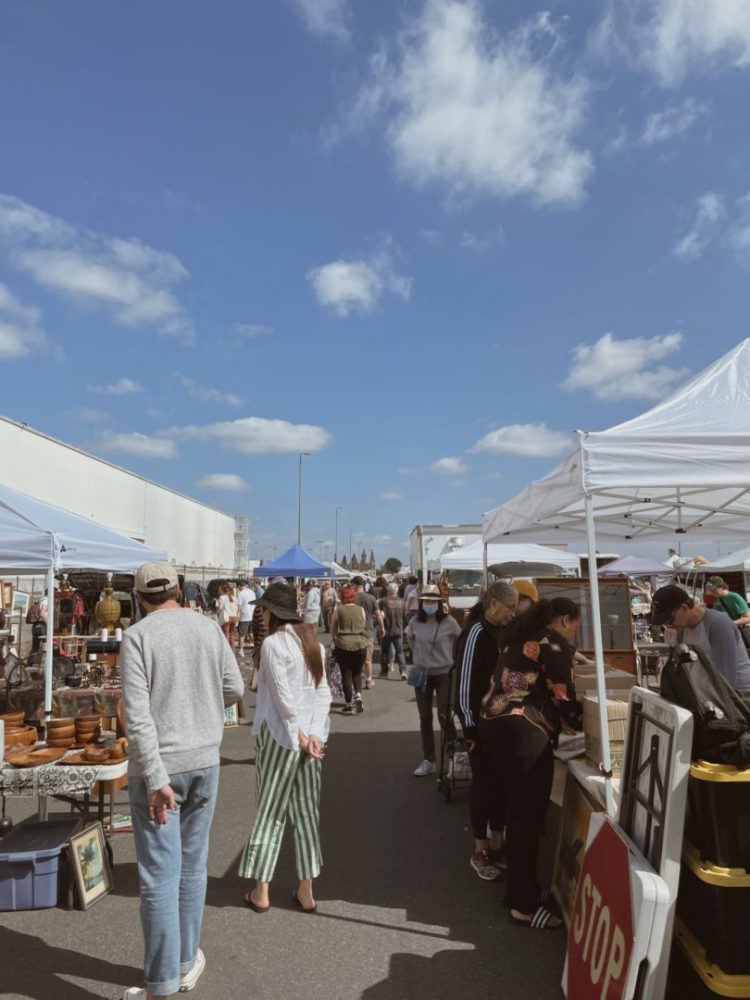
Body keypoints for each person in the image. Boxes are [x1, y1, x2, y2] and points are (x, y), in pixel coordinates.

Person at [121, 561, 244, 1000]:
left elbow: (136, 716)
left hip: (159, 769)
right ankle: (184, 961)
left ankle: (162, 983)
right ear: (178, 588)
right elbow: (235, 689)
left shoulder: (137, 637)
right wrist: (204, 710)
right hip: (204, 761)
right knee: (192, 866)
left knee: (159, 875)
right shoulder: (207, 627)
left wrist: (155, 777)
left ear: (139, 598)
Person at [480, 597, 582, 930]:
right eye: (576, 626)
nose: (574, 634)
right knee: (528, 815)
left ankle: (520, 883)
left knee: (518, 808)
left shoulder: (526, 635)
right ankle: (522, 904)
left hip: (496, 723)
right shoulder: (554, 643)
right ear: (566, 620)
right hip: (524, 730)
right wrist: (584, 724)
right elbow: (564, 697)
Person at [238, 582, 331, 913]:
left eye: (263, 609)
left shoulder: (274, 645)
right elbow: (323, 695)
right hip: (311, 743)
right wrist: (315, 734)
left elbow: (281, 700)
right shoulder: (313, 644)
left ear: (272, 612)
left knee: (270, 810)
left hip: (279, 737)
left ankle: (262, 889)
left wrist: (300, 733)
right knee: (306, 813)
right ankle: (307, 890)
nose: (260, 615)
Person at [455, 581, 519, 880]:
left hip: (500, 724)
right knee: (484, 787)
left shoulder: (502, 631)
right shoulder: (475, 633)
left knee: (502, 787)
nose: (512, 613)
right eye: (510, 607)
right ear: (494, 603)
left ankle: (498, 843)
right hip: (479, 727)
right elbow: (464, 686)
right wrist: (469, 730)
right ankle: (479, 850)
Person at [406, 585, 462, 776]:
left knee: (445, 717)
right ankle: (429, 759)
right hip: (422, 675)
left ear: (439, 604)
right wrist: (418, 658)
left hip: (444, 673)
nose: (429, 604)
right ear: (421, 603)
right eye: (426, 601)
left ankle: (454, 757)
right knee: (425, 718)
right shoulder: (414, 621)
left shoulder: (449, 622)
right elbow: (410, 639)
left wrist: (452, 658)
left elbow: (461, 639)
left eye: (433, 601)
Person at [651, 584, 750, 691]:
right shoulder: (682, 630)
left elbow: (726, 679)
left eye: (669, 620)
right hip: (708, 693)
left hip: (739, 695)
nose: (669, 626)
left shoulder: (718, 625)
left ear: (684, 608)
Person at [330, 584, 369, 714]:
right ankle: (358, 694)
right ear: (354, 596)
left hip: (343, 644)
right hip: (360, 643)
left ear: (342, 597)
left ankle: (348, 703)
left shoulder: (338, 610)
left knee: (346, 675)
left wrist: (335, 638)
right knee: (357, 673)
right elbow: (363, 624)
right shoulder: (361, 609)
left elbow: (333, 627)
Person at [352, 576, 384, 689]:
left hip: (354, 632)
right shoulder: (371, 598)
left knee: (354, 658)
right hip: (368, 632)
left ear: (355, 585)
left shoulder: (352, 598)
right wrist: (382, 628)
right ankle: (368, 680)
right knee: (367, 659)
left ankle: (354, 680)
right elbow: (378, 615)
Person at [378, 582, 407, 679]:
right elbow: (404, 615)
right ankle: (403, 671)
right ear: (397, 591)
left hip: (387, 630)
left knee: (385, 651)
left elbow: (380, 614)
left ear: (388, 590)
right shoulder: (402, 602)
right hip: (398, 630)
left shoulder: (383, 601)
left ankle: (384, 672)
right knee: (400, 651)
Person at [216, 583, 239, 652]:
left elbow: (220, 608)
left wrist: (217, 612)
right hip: (234, 618)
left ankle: (226, 652)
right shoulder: (234, 597)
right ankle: (233, 652)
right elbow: (237, 608)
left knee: (226, 635)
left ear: (222, 590)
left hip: (227, 618)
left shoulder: (222, 597)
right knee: (232, 636)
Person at [236, 581, 256, 658]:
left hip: (244, 616)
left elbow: (239, 605)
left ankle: (241, 650)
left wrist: (239, 614)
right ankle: (256, 647)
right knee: (250, 632)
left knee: (242, 633)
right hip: (252, 614)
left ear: (240, 586)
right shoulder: (252, 592)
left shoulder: (241, 593)